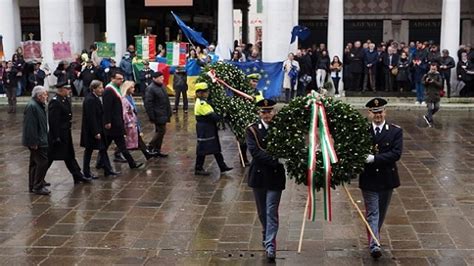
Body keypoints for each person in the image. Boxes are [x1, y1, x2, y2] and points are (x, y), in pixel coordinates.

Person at [360, 97, 403, 260]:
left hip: (387, 178)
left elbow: (396, 154)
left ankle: (374, 235)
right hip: (369, 178)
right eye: (375, 112)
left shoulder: (395, 131)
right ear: (369, 113)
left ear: (385, 111)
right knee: (373, 212)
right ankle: (374, 244)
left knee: (381, 212)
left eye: (381, 112)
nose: (378, 115)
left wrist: (375, 159)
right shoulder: (363, 131)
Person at [246, 99, 286, 263]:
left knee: (271, 211)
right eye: (264, 112)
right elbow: (255, 152)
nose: (267, 114)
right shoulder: (252, 129)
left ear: (274, 111)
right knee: (262, 212)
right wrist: (276, 159)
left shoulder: (281, 127)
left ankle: (270, 245)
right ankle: (266, 232)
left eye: (269, 111)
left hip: (275, 177)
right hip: (260, 176)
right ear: (259, 113)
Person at [47, 81, 91, 185]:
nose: (69, 91)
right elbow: (54, 121)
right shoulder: (55, 102)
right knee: (50, 158)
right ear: (61, 89)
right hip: (58, 135)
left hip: (65, 133)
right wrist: (56, 136)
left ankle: (77, 175)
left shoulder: (64, 99)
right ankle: (38, 178)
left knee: (69, 156)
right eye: (67, 89)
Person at [103, 71, 144, 169]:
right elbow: (107, 108)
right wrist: (107, 121)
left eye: (122, 79)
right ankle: (132, 164)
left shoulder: (117, 89)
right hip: (113, 123)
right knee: (121, 145)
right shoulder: (109, 90)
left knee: (107, 146)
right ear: (112, 79)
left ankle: (100, 162)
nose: (121, 80)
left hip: (117, 121)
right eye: (119, 79)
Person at [80, 80, 118, 179]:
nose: (102, 90)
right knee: (90, 150)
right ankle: (87, 172)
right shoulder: (90, 100)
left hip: (99, 129)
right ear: (94, 89)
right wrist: (96, 132)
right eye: (100, 88)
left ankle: (107, 169)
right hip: (92, 131)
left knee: (102, 149)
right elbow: (91, 117)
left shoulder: (95, 98)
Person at [193, 82, 233, 175]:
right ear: (200, 93)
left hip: (208, 127)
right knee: (202, 148)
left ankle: (222, 166)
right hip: (204, 128)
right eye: (205, 92)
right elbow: (213, 116)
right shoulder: (201, 103)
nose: (207, 93)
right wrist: (224, 116)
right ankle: (198, 168)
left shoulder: (204, 101)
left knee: (215, 148)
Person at [23, 86, 50, 195]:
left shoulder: (38, 105)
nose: (46, 96)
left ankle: (33, 184)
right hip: (37, 141)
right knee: (42, 162)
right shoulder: (32, 107)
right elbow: (30, 126)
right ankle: (38, 185)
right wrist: (33, 142)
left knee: (34, 163)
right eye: (44, 94)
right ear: (39, 96)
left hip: (40, 138)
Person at [121, 80, 157, 160]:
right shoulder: (124, 99)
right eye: (132, 87)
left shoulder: (130, 96)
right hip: (129, 123)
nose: (134, 89)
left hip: (134, 121)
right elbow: (125, 113)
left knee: (139, 139)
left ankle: (146, 153)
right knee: (124, 141)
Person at [144, 71, 172, 157]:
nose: (162, 79)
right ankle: (150, 146)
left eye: (162, 77)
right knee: (161, 131)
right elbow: (148, 104)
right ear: (154, 79)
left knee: (160, 131)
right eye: (160, 78)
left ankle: (157, 150)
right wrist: (151, 116)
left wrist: (169, 111)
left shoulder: (162, 86)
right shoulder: (150, 88)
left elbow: (166, 100)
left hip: (164, 113)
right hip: (157, 114)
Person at [422, 63, 443, 127]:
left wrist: (434, 81)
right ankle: (430, 121)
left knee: (437, 107)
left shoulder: (439, 75)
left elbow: (440, 85)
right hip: (428, 94)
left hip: (436, 94)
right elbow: (422, 83)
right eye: (432, 69)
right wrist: (426, 81)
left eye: (434, 69)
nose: (433, 70)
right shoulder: (426, 75)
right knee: (430, 108)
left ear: (436, 68)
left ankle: (427, 116)